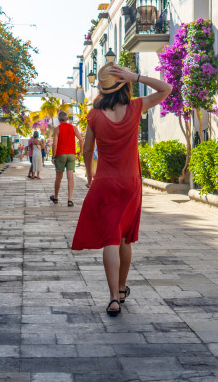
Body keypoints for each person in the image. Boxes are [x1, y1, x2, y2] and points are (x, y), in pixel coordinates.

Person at [71, 62, 172, 317]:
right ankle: (122, 286)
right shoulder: (136, 107)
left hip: (105, 182)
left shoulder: (94, 115)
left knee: (110, 239)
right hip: (130, 183)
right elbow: (166, 88)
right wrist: (136, 76)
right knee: (126, 237)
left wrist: (90, 175)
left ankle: (113, 298)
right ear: (124, 85)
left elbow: (86, 150)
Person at [50, 111, 83, 206]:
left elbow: (55, 144)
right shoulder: (73, 128)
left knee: (59, 177)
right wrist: (80, 151)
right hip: (71, 155)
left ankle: (56, 197)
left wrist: (53, 156)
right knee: (70, 177)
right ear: (67, 118)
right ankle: (70, 200)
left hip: (60, 155)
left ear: (59, 119)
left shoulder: (57, 129)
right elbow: (81, 139)